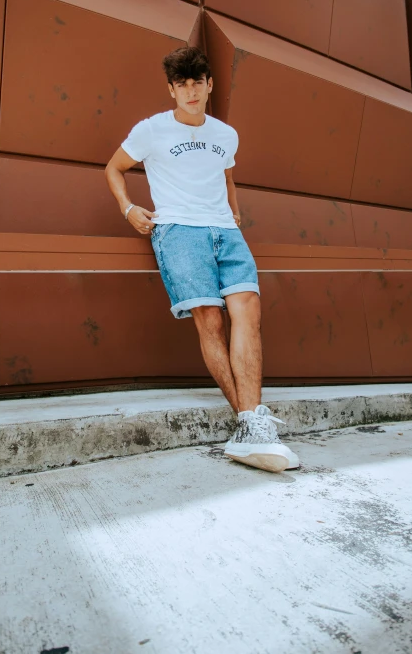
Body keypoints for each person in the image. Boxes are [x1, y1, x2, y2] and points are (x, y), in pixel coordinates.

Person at [105, 47, 299, 473]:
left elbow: (226, 176)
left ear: (209, 85)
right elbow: (113, 168)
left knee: (248, 309)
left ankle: (250, 429)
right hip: (178, 231)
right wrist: (128, 208)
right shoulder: (152, 130)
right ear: (172, 89)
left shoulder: (225, 134)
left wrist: (234, 210)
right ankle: (252, 424)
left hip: (226, 232)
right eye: (182, 85)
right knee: (210, 318)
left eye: (198, 83)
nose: (190, 92)